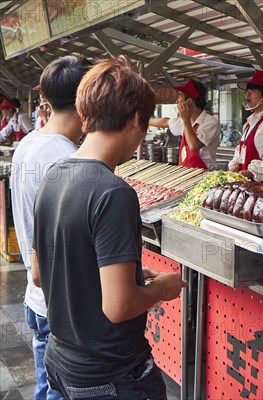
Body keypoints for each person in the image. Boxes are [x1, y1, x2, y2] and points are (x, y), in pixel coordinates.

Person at [31, 56, 187, 399]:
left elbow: (40, 275)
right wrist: (162, 288)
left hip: (62, 361)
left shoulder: (52, 177)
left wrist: (126, 275)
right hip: (110, 375)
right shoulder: (113, 191)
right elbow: (118, 307)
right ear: (136, 119)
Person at [10, 55, 89, 400]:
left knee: (47, 387)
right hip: (61, 305)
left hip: (37, 298)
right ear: (87, 98)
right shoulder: (65, 159)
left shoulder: (29, 143)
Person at [228, 70, 263, 186]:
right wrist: (235, 164)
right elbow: (240, 151)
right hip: (245, 185)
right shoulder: (248, 123)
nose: (247, 95)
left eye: (253, 91)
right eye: (247, 91)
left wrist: (251, 172)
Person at [149, 79, 220, 169]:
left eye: (180, 96)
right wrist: (140, 119)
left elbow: (194, 146)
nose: (177, 101)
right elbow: (165, 122)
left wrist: (185, 120)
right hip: (186, 173)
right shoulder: (184, 120)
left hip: (205, 176)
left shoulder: (210, 123)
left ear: (189, 102)